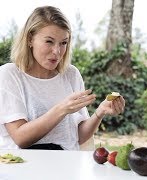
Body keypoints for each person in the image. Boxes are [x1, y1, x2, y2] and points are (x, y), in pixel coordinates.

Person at [0, 6, 125, 150]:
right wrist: (62, 109)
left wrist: (100, 112)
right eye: (49, 41)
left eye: (63, 43)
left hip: (67, 165)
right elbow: (20, 138)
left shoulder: (71, 74)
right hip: (25, 167)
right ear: (30, 39)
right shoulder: (9, 74)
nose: (57, 51)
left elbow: (78, 136)